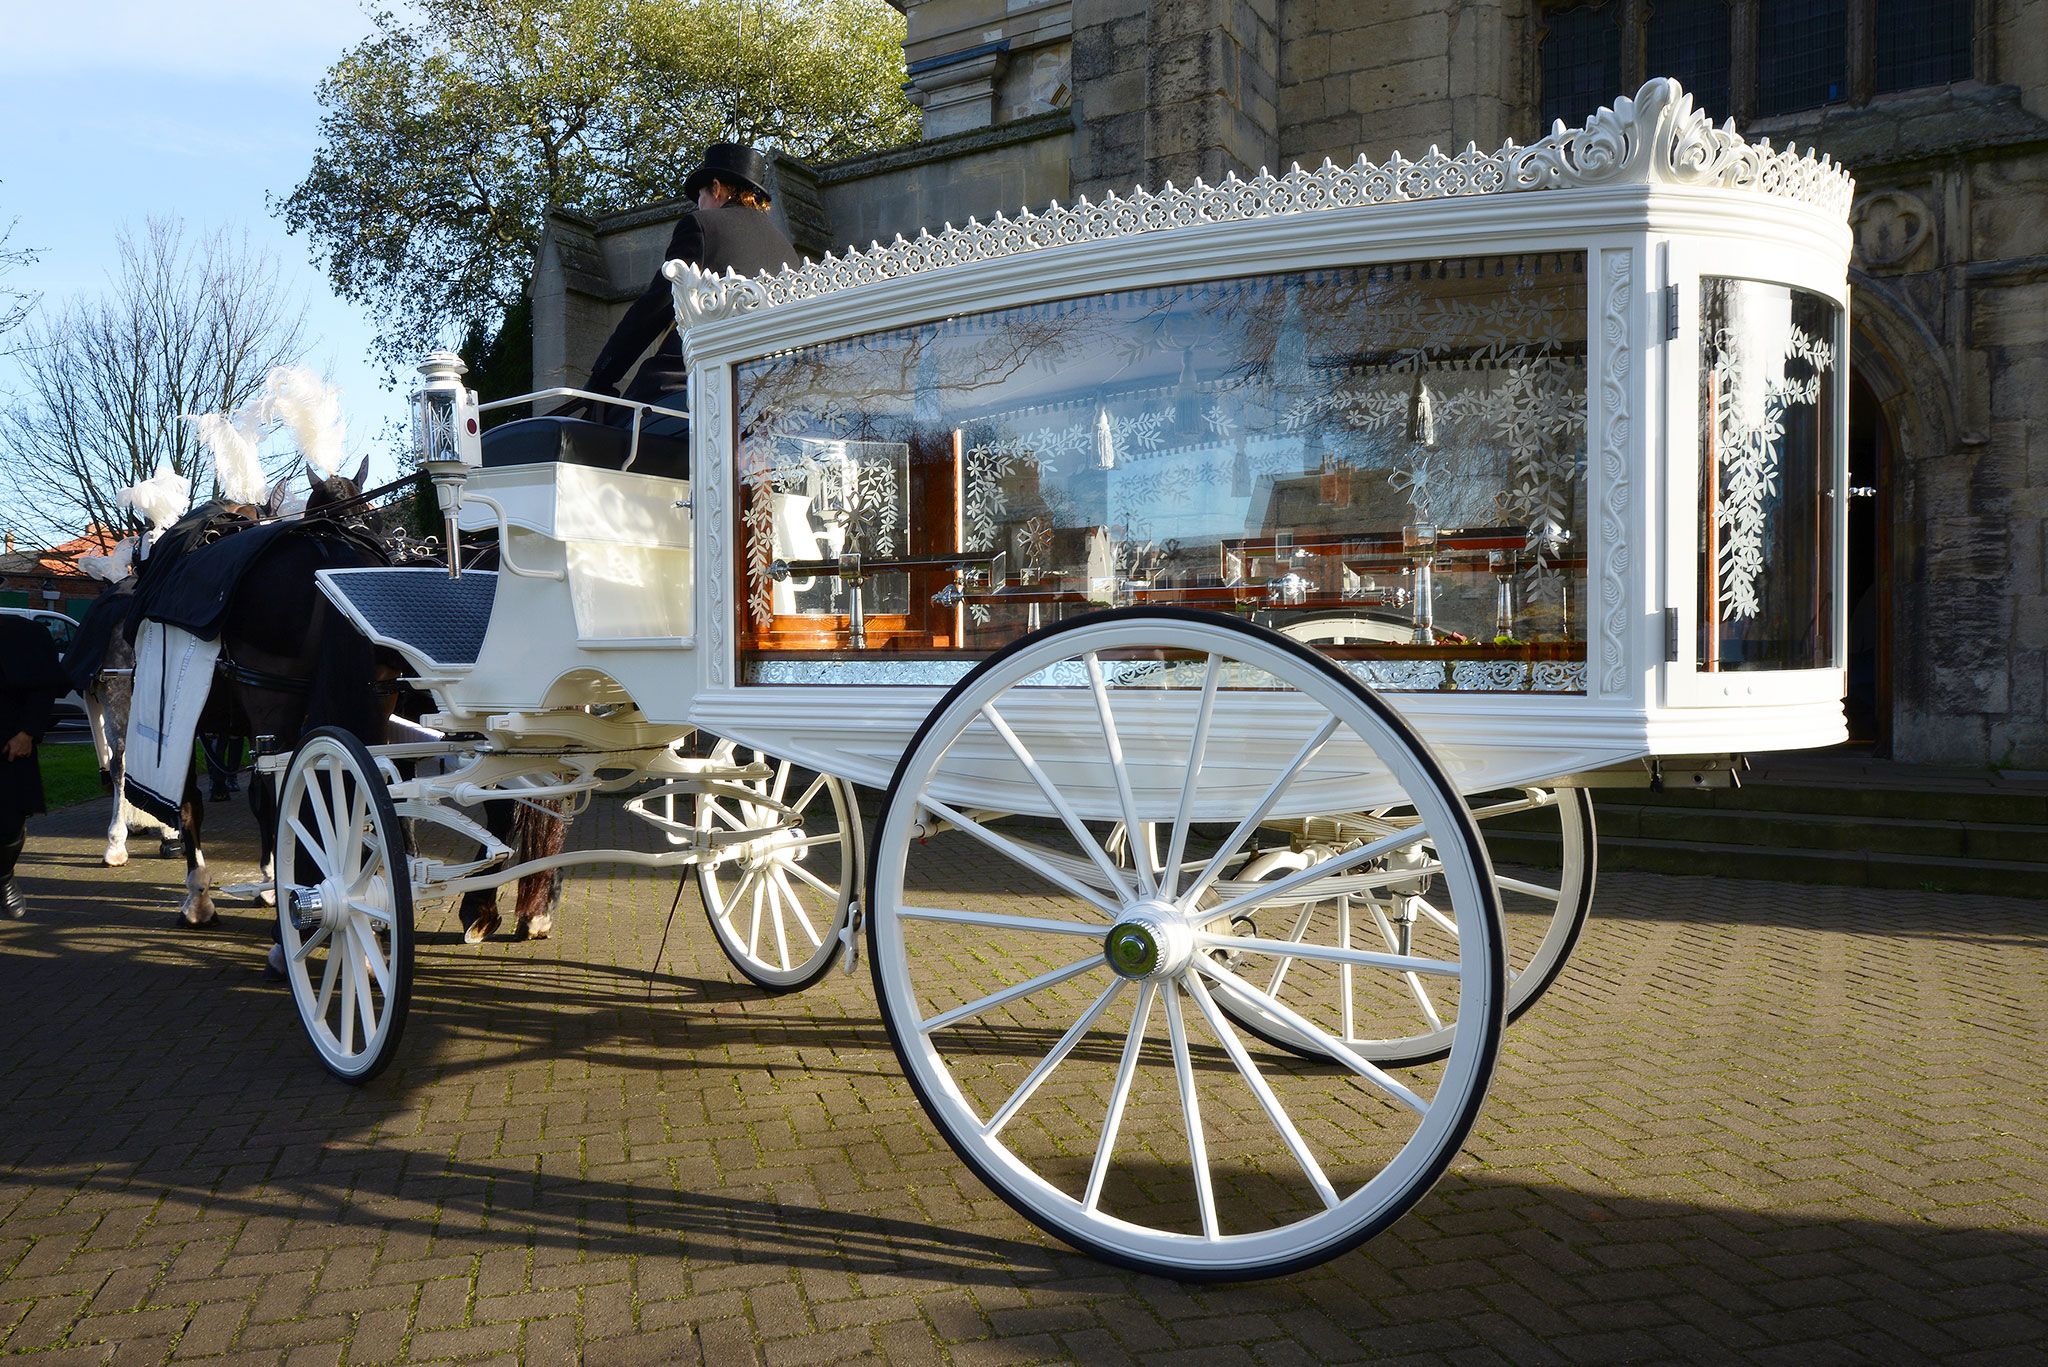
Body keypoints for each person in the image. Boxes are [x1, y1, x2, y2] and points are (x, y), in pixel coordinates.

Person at [578, 143, 802, 417]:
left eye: (700, 195)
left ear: (716, 188)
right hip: (767, 394)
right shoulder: (788, 252)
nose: (699, 205)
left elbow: (656, 305)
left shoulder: (701, 225)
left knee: (606, 426)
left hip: (689, 384)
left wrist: (603, 375)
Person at [0, 612, 72, 917]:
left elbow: (43, 689)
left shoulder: (20, 634)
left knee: (8, 823)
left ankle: (4, 877)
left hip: (8, 746)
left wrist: (28, 732)